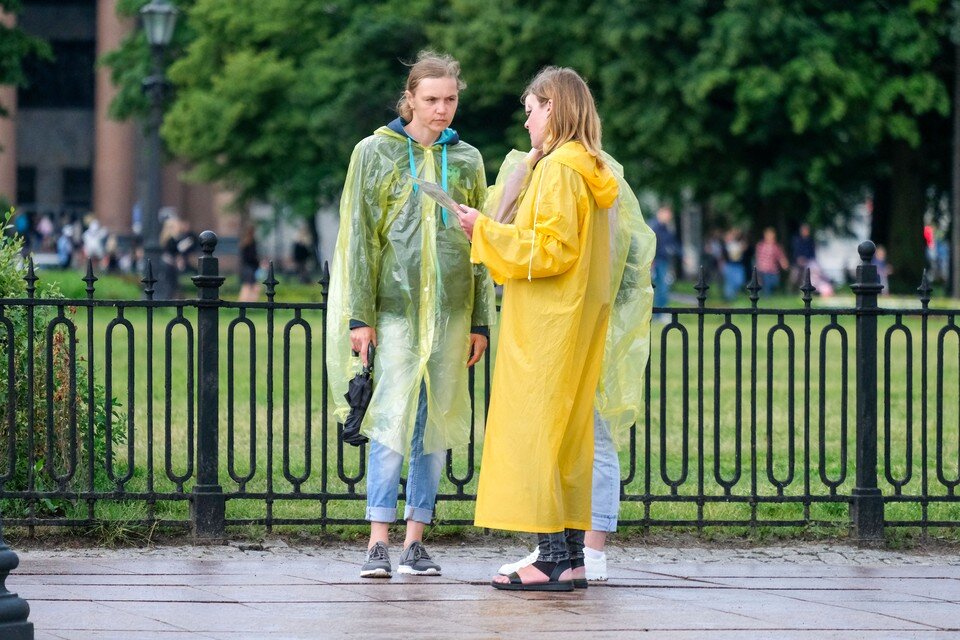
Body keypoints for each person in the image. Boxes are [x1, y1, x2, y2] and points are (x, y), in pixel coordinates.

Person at [456, 66, 653, 591]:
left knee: (539, 439)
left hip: (547, 327)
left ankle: (549, 559)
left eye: (530, 111)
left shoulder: (562, 170)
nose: (526, 124)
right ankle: (568, 559)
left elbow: (551, 249)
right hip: (574, 323)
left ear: (553, 108)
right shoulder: (586, 168)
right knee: (565, 442)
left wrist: (485, 230)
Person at [325, 51, 495, 579]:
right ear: (410, 98)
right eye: (431, 100)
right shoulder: (374, 153)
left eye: (450, 99)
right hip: (394, 314)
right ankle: (378, 539)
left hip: (449, 315)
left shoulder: (466, 160)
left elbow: (480, 242)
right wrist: (360, 316)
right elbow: (358, 239)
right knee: (389, 423)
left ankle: (415, 539)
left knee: (433, 426)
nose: (442, 110)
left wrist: (479, 321)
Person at [648, 205, 679, 320]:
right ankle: (658, 314)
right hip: (657, 261)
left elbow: (672, 244)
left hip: (664, 260)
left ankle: (660, 312)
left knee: (663, 286)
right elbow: (652, 245)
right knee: (661, 287)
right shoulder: (655, 227)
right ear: (660, 213)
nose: (668, 216)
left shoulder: (666, 228)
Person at [754, 227, 788, 296]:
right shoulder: (761, 245)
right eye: (768, 235)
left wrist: (784, 263)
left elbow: (780, 257)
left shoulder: (776, 247)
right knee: (767, 284)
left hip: (773, 270)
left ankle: (766, 295)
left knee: (775, 282)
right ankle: (767, 299)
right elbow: (758, 257)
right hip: (763, 270)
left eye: (772, 235)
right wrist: (758, 266)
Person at [721, 227, 749, 301]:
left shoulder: (740, 243)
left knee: (739, 281)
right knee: (729, 282)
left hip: (739, 265)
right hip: (730, 265)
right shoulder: (727, 244)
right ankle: (729, 298)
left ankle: (733, 295)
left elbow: (745, 247)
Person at [238, 225, 261, 302]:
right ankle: (249, 302)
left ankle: (245, 303)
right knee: (251, 286)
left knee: (247, 286)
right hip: (250, 268)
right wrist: (258, 262)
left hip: (245, 267)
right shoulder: (251, 242)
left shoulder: (244, 242)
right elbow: (252, 257)